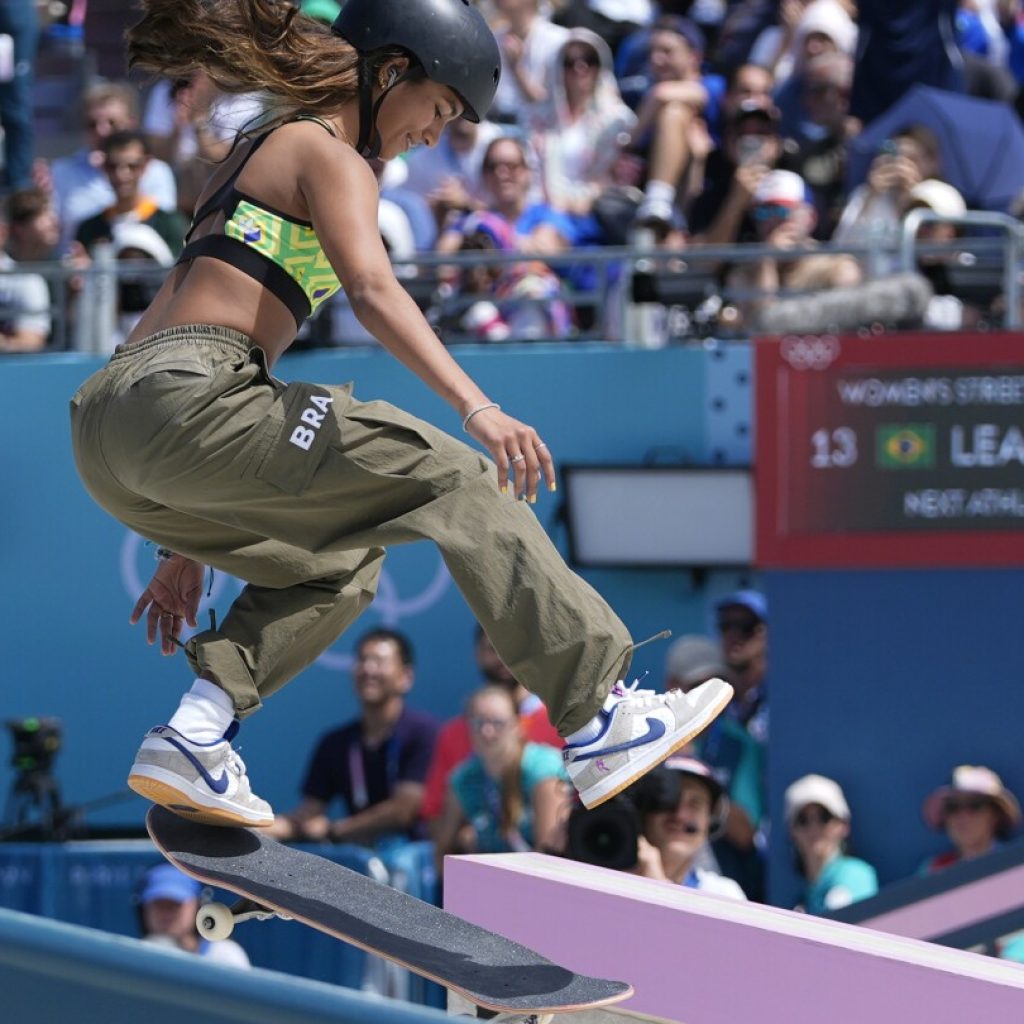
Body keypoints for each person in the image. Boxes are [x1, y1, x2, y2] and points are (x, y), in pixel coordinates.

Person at [69, 0, 733, 829]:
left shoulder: (253, 149)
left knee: (339, 560)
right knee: (457, 476)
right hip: (197, 393)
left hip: (113, 426)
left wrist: (179, 532)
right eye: (440, 109)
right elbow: (374, 290)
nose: (433, 134)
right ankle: (597, 716)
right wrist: (476, 405)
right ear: (389, 73)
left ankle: (197, 734)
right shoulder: (329, 151)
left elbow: (171, 325)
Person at [267, 628, 438, 845]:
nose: (368, 669)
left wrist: (336, 830)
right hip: (359, 867)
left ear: (406, 677)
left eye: (379, 661)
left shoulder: (425, 732)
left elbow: (403, 810)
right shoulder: (335, 742)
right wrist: (257, 828)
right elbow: (308, 816)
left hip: (419, 867)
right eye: (362, 659)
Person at [420, 623, 563, 829]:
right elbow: (435, 814)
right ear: (477, 654)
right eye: (492, 649)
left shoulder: (562, 726)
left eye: (513, 651)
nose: (504, 659)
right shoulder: (453, 735)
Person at [434, 685, 572, 866]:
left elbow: (549, 857)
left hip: (541, 884)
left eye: (497, 723)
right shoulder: (462, 779)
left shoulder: (544, 770)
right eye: (478, 723)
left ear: (518, 726)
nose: (487, 732)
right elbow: (443, 852)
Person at [49, 82, 178, 249]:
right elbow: (52, 239)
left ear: (131, 123)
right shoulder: (61, 173)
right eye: (92, 124)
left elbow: (163, 228)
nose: (101, 131)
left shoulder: (156, 171)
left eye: (112, 122)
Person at [631, 755, 747, 899]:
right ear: (644, 813)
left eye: (695, 804)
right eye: (669, 800)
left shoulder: (724, 894)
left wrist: (657, 886)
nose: (680, 815)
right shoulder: (609, 876)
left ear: (710, 823)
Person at [74, 130, 188, 257]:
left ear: (145, 165)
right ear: (103, 167)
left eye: (132, 166)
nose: (122, 174)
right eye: (113, 166)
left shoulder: (170, 224)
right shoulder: (90, 229)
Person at [785, 773, 878, 914]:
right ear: (792, 831)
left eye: (824, 817)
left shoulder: (855, 874)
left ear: (843, 825)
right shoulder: (804, 898)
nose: (813, 828)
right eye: (803, 819)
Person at [136, 862, 251, 966]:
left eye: (175, 904)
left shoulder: (227, 953)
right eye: (159, 905)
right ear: (144, 910)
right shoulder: (142, 955)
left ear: (196, 905)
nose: (166, 913)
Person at [920, 765, 1022, 873]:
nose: (963, 816)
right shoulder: (932, 870)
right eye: (953, 807)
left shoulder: (1016, 864)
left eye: (975, 805)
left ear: (995, 815)